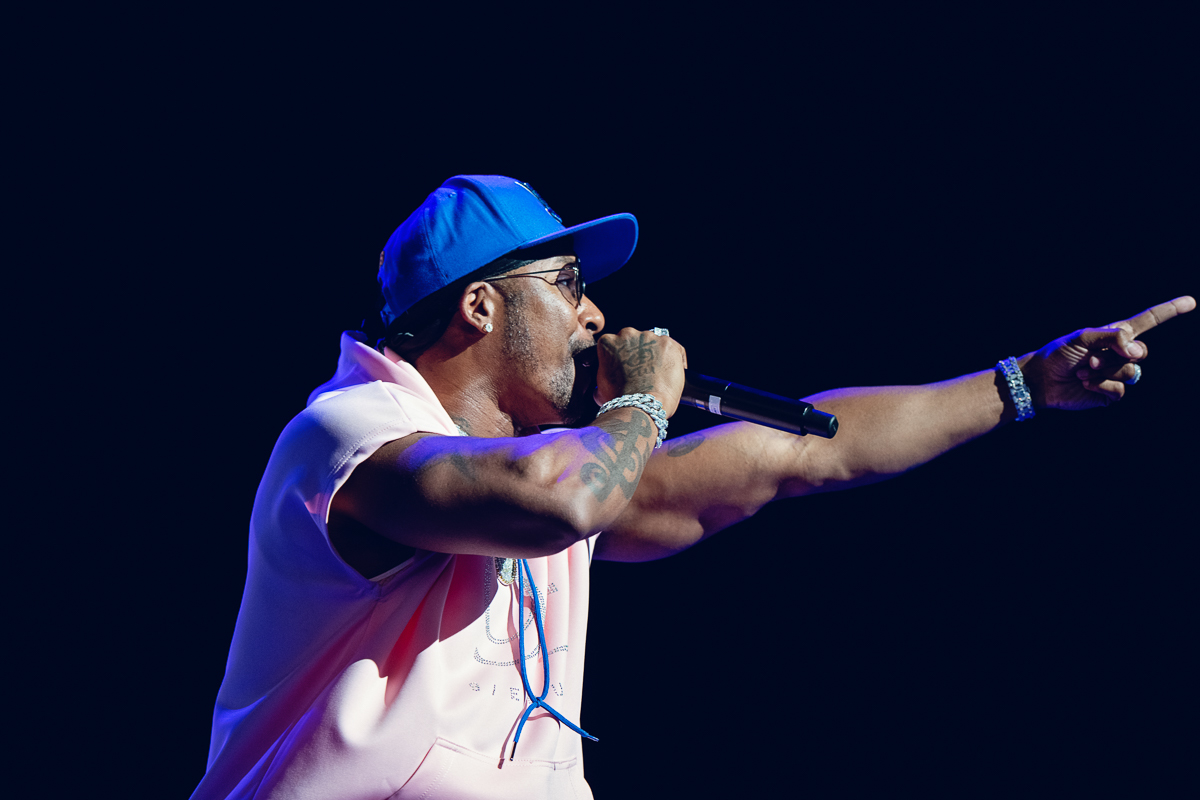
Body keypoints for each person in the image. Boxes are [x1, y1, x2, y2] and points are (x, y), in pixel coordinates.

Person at [190, 175, 1193, 800]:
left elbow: (799, 453)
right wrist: (639, 404)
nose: (596, 316)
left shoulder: (568, 460)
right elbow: (558, 500)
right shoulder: (348, 433)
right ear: (481, 305)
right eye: (568, 284)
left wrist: (1023, 384)